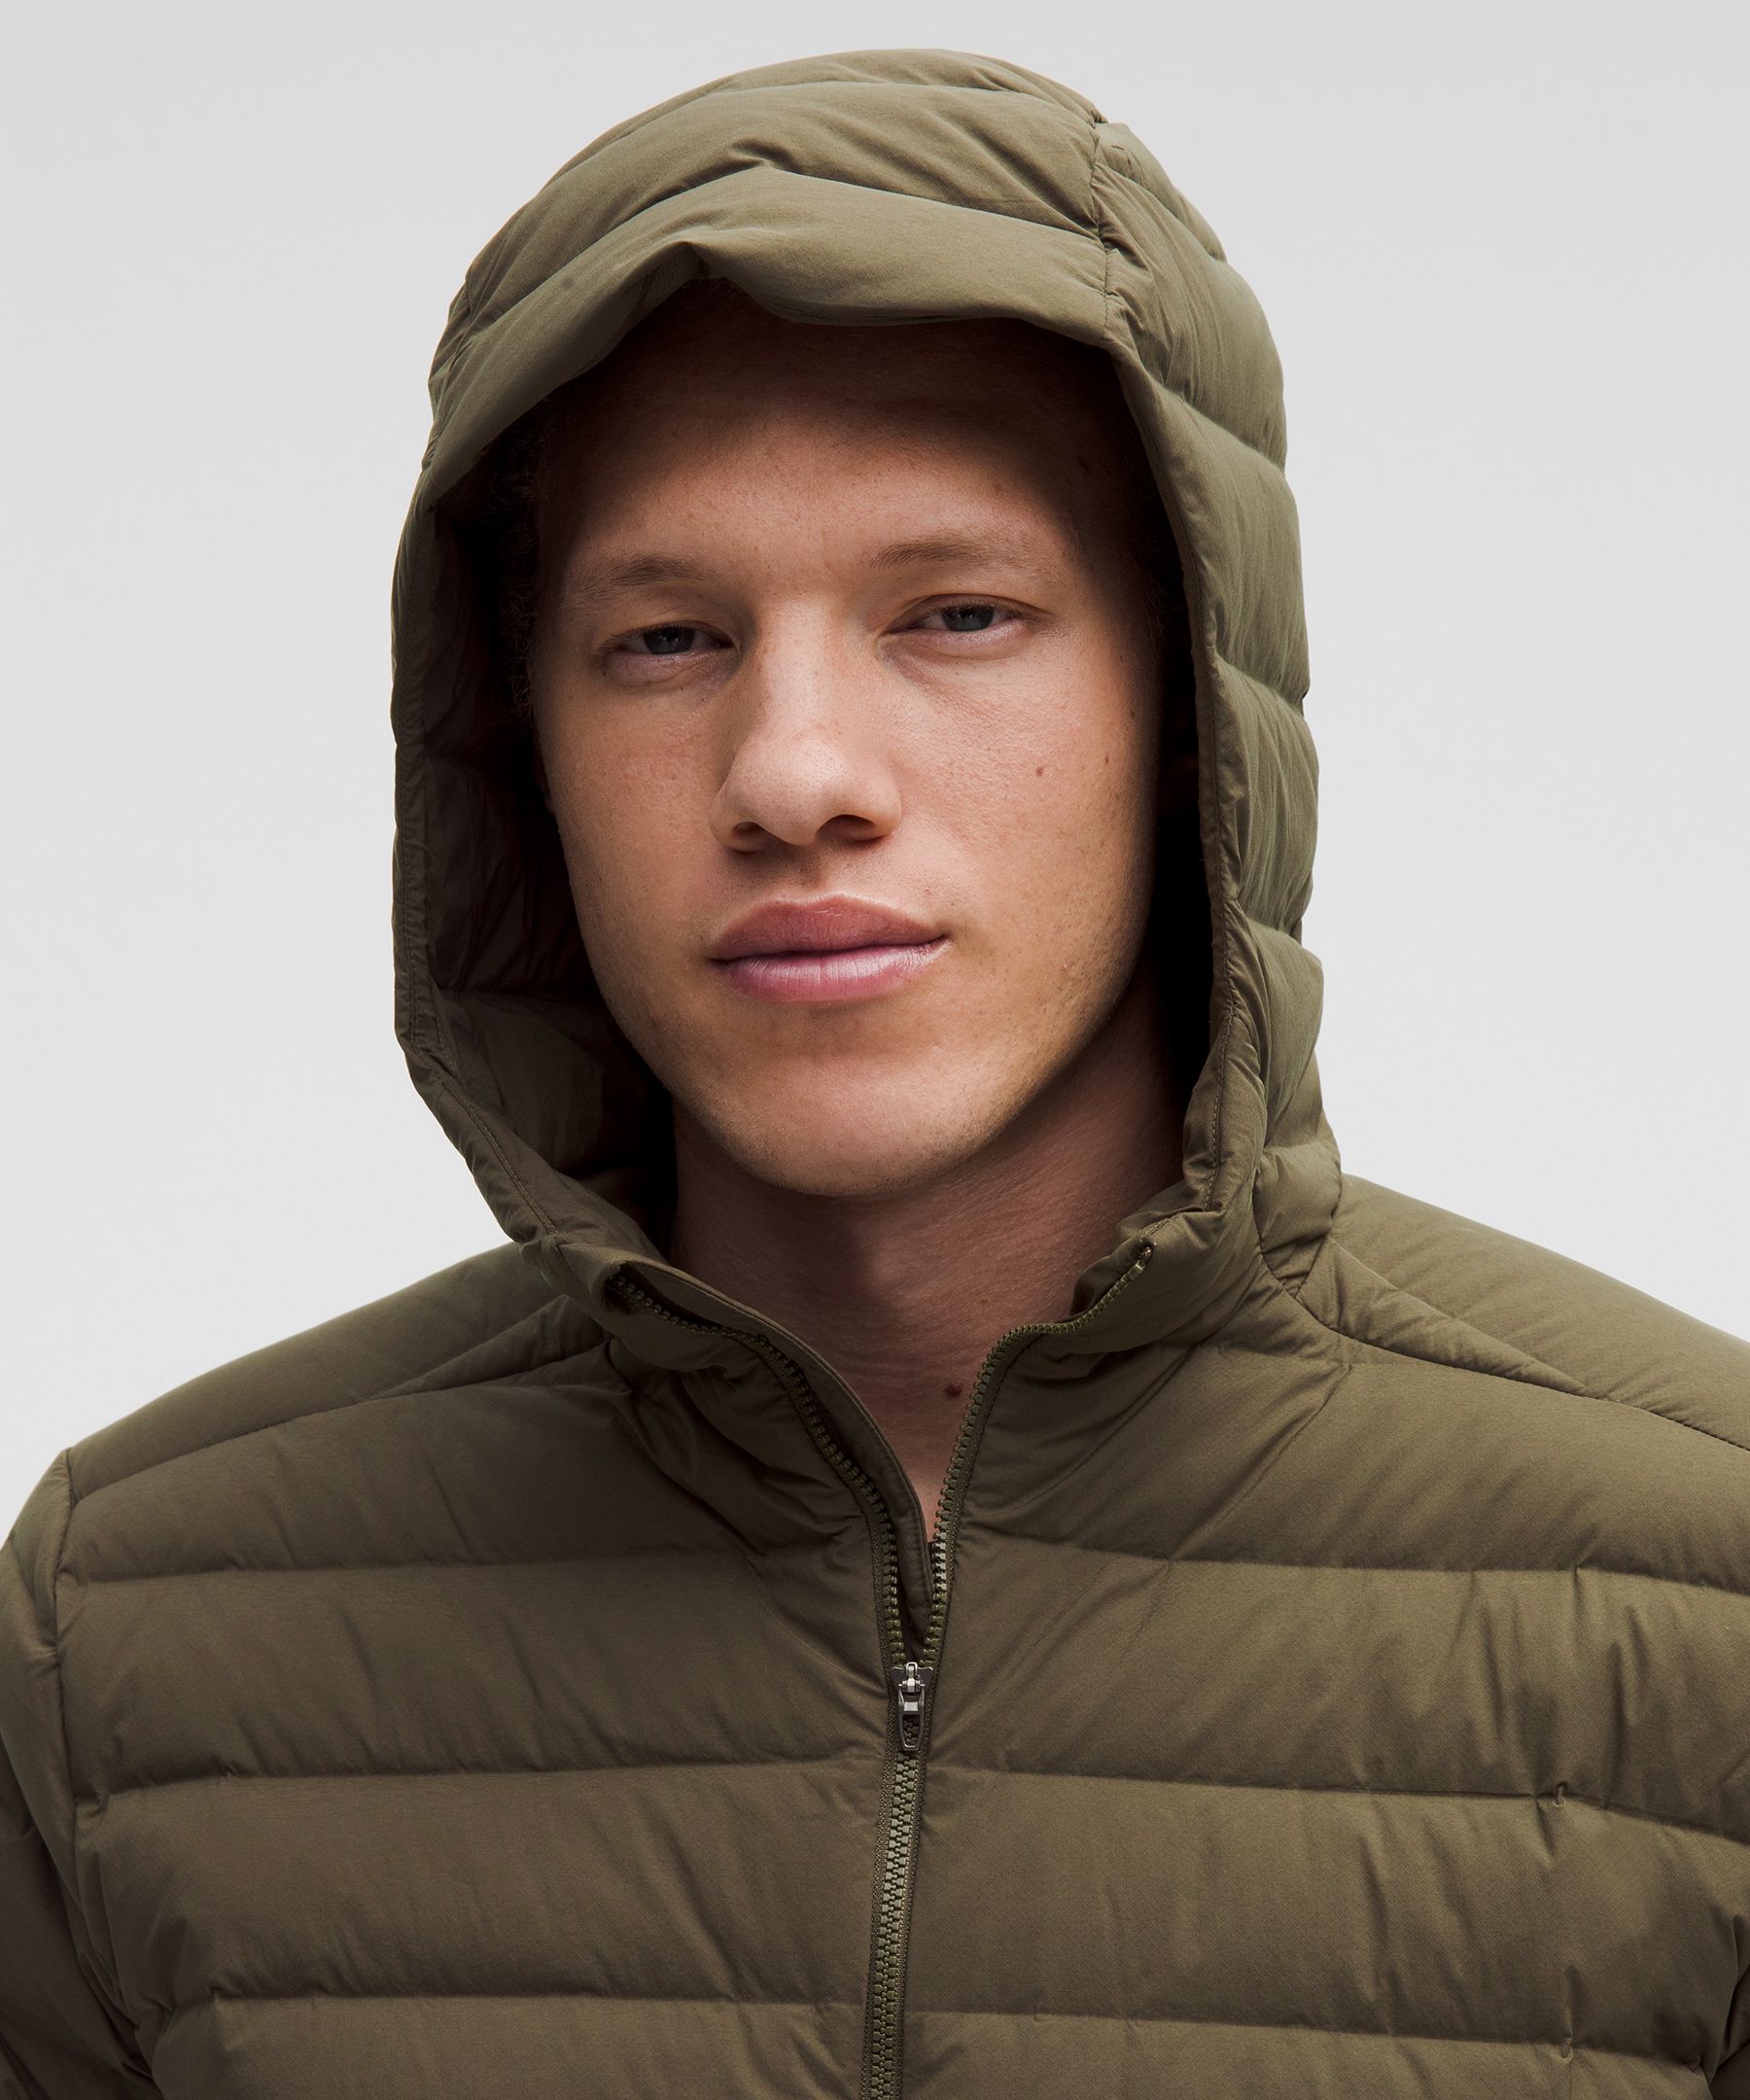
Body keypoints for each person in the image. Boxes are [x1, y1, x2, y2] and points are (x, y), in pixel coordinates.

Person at [3, 44, 1747, 2100]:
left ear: (1195, 709)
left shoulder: (1703, 1580)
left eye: (960, 613)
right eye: (666, 640)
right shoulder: (132, 1630)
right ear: (518, 741)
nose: (795, 773)